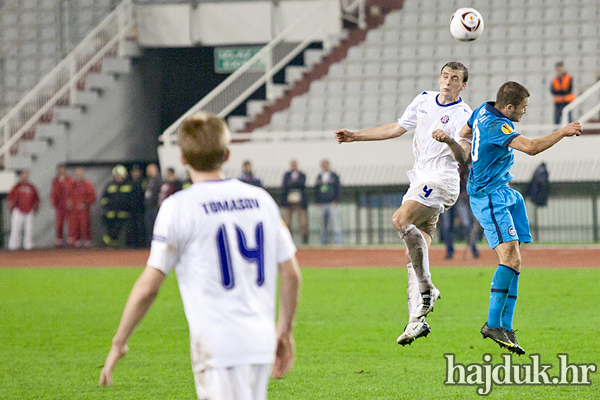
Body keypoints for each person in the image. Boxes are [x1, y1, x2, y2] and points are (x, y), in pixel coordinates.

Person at [99, 111, 301, 400]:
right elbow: (292, 272)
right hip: (259, 341)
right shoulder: (262, 200)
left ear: (182, 158)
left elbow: (148, 288)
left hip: (217, 346)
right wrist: (285, 330)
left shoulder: (178, 207)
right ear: (227, 154)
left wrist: (119, 342)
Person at [335, 62, 473, 346]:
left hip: (442, 181)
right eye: (445, 76)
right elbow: (397, 128)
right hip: (419, 180)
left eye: (455, 78)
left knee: (400, 220)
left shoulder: (464, 114)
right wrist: (355, 136)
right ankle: (416, 322)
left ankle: (427, 290)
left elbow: (464, 158)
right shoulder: (423, 100)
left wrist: (448, 140)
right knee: (414, 257)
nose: (448, 81)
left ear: (463, 85)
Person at [458, 81, 582, 355]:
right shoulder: (498, 126)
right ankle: (493, 325)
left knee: (515, 260)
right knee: (510, 259)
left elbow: (464, 131)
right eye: (523, 107)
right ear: (510, 107)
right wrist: (563, 131)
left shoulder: (481, 111)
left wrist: (466, 152)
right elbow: (532, 147)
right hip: (489, 195)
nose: (525, 112)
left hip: (503, 191)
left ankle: (505, 327)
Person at [439, 163, 479, 259]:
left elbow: (469, 180)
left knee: (466, 224)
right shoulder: (442, 165)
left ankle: (473, 248)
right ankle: (449, 251)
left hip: (460, 197)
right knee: (446, 226)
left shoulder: (463, 165)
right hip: (446, 197)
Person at [101, 165, 135, 248]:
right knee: (111, 232)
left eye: (119, 176)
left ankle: (127, 246)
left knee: (127, 232)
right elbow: (104, 198)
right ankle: (111, 246)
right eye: (116, 176)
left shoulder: (129, 185)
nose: (118, 178)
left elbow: (132, 199)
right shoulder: (110, 186)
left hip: (125, 214)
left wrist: (129, 209)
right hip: (111, 215)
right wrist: (106, 209)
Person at [7, 170, 40, 250]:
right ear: (21, 176)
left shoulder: (31, 187)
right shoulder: (16, 186)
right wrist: (11, 208)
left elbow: (36, 199)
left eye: (26, 175)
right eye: (23, 175)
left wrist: (35, 208)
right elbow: (10, 198)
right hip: (18, 210)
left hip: (29, 210)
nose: (25, 177)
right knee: (16, 228)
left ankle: (28, 245)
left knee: (28, 229)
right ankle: (14, 245)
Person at [314, 160, 342, 244]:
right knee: (323, 224)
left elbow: (338, 188)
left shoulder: (334, 176)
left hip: (331, 203)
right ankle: (323, 241)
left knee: (335, 223)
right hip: (322, 203)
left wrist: (336, 200)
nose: (325, 167)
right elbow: (316, 190)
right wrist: (318, 201)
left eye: (326, 165)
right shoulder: (319, 177)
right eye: (323, 165)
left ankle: (338, 241)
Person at [281, 159, 309, 244]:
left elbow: (301, 185)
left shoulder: (301, 175)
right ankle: (288, 241)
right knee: (287, 223)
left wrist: (293, 183)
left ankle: (304, 240)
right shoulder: (287, 175)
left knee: (302, 222)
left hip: (300, 202)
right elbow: (285, 185)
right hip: (289, 202)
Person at [68, 168, 96, 248]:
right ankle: (77, 241)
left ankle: (87, 241)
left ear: (83, 175)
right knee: (74, 226)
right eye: (76, 175)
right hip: (74, 211)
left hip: (84, 210)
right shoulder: (71, 185)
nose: (78, 176)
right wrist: (69, 203)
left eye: (80, 174)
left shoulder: (88, 185)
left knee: (85, 226)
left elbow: (92, 197)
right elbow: (68, 197)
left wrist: (86, 204)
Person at [50, 164, 74, 248]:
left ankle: (71, 241)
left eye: (63, 170)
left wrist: (71, 201)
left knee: (70, 224)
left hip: (68, 206)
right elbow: (53, 193)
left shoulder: (69, 180)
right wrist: (53, 202)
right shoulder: (55, 181)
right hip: (59, 206)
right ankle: (59, 241)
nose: (61, 171)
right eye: (60, 170)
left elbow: (72, 191)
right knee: (59, 224)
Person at [126, 164, 146, 249]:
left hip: (141, 210)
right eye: (134, 172)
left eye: (137, 172)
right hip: (131, 210)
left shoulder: (143, 182)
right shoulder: (129, 183)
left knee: (140, 228)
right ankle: (132, 246)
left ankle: (141, 246)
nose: (135, 173)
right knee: (131, 228)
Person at [143, 163, 162, 248]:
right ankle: (149, 246)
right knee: (148, 228)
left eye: (150, 170)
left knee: (155, 228)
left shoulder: (159, 181)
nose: (148, 173)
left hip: (155, 208)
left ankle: (156, 246)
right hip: (148, 207)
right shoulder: (147, 181)